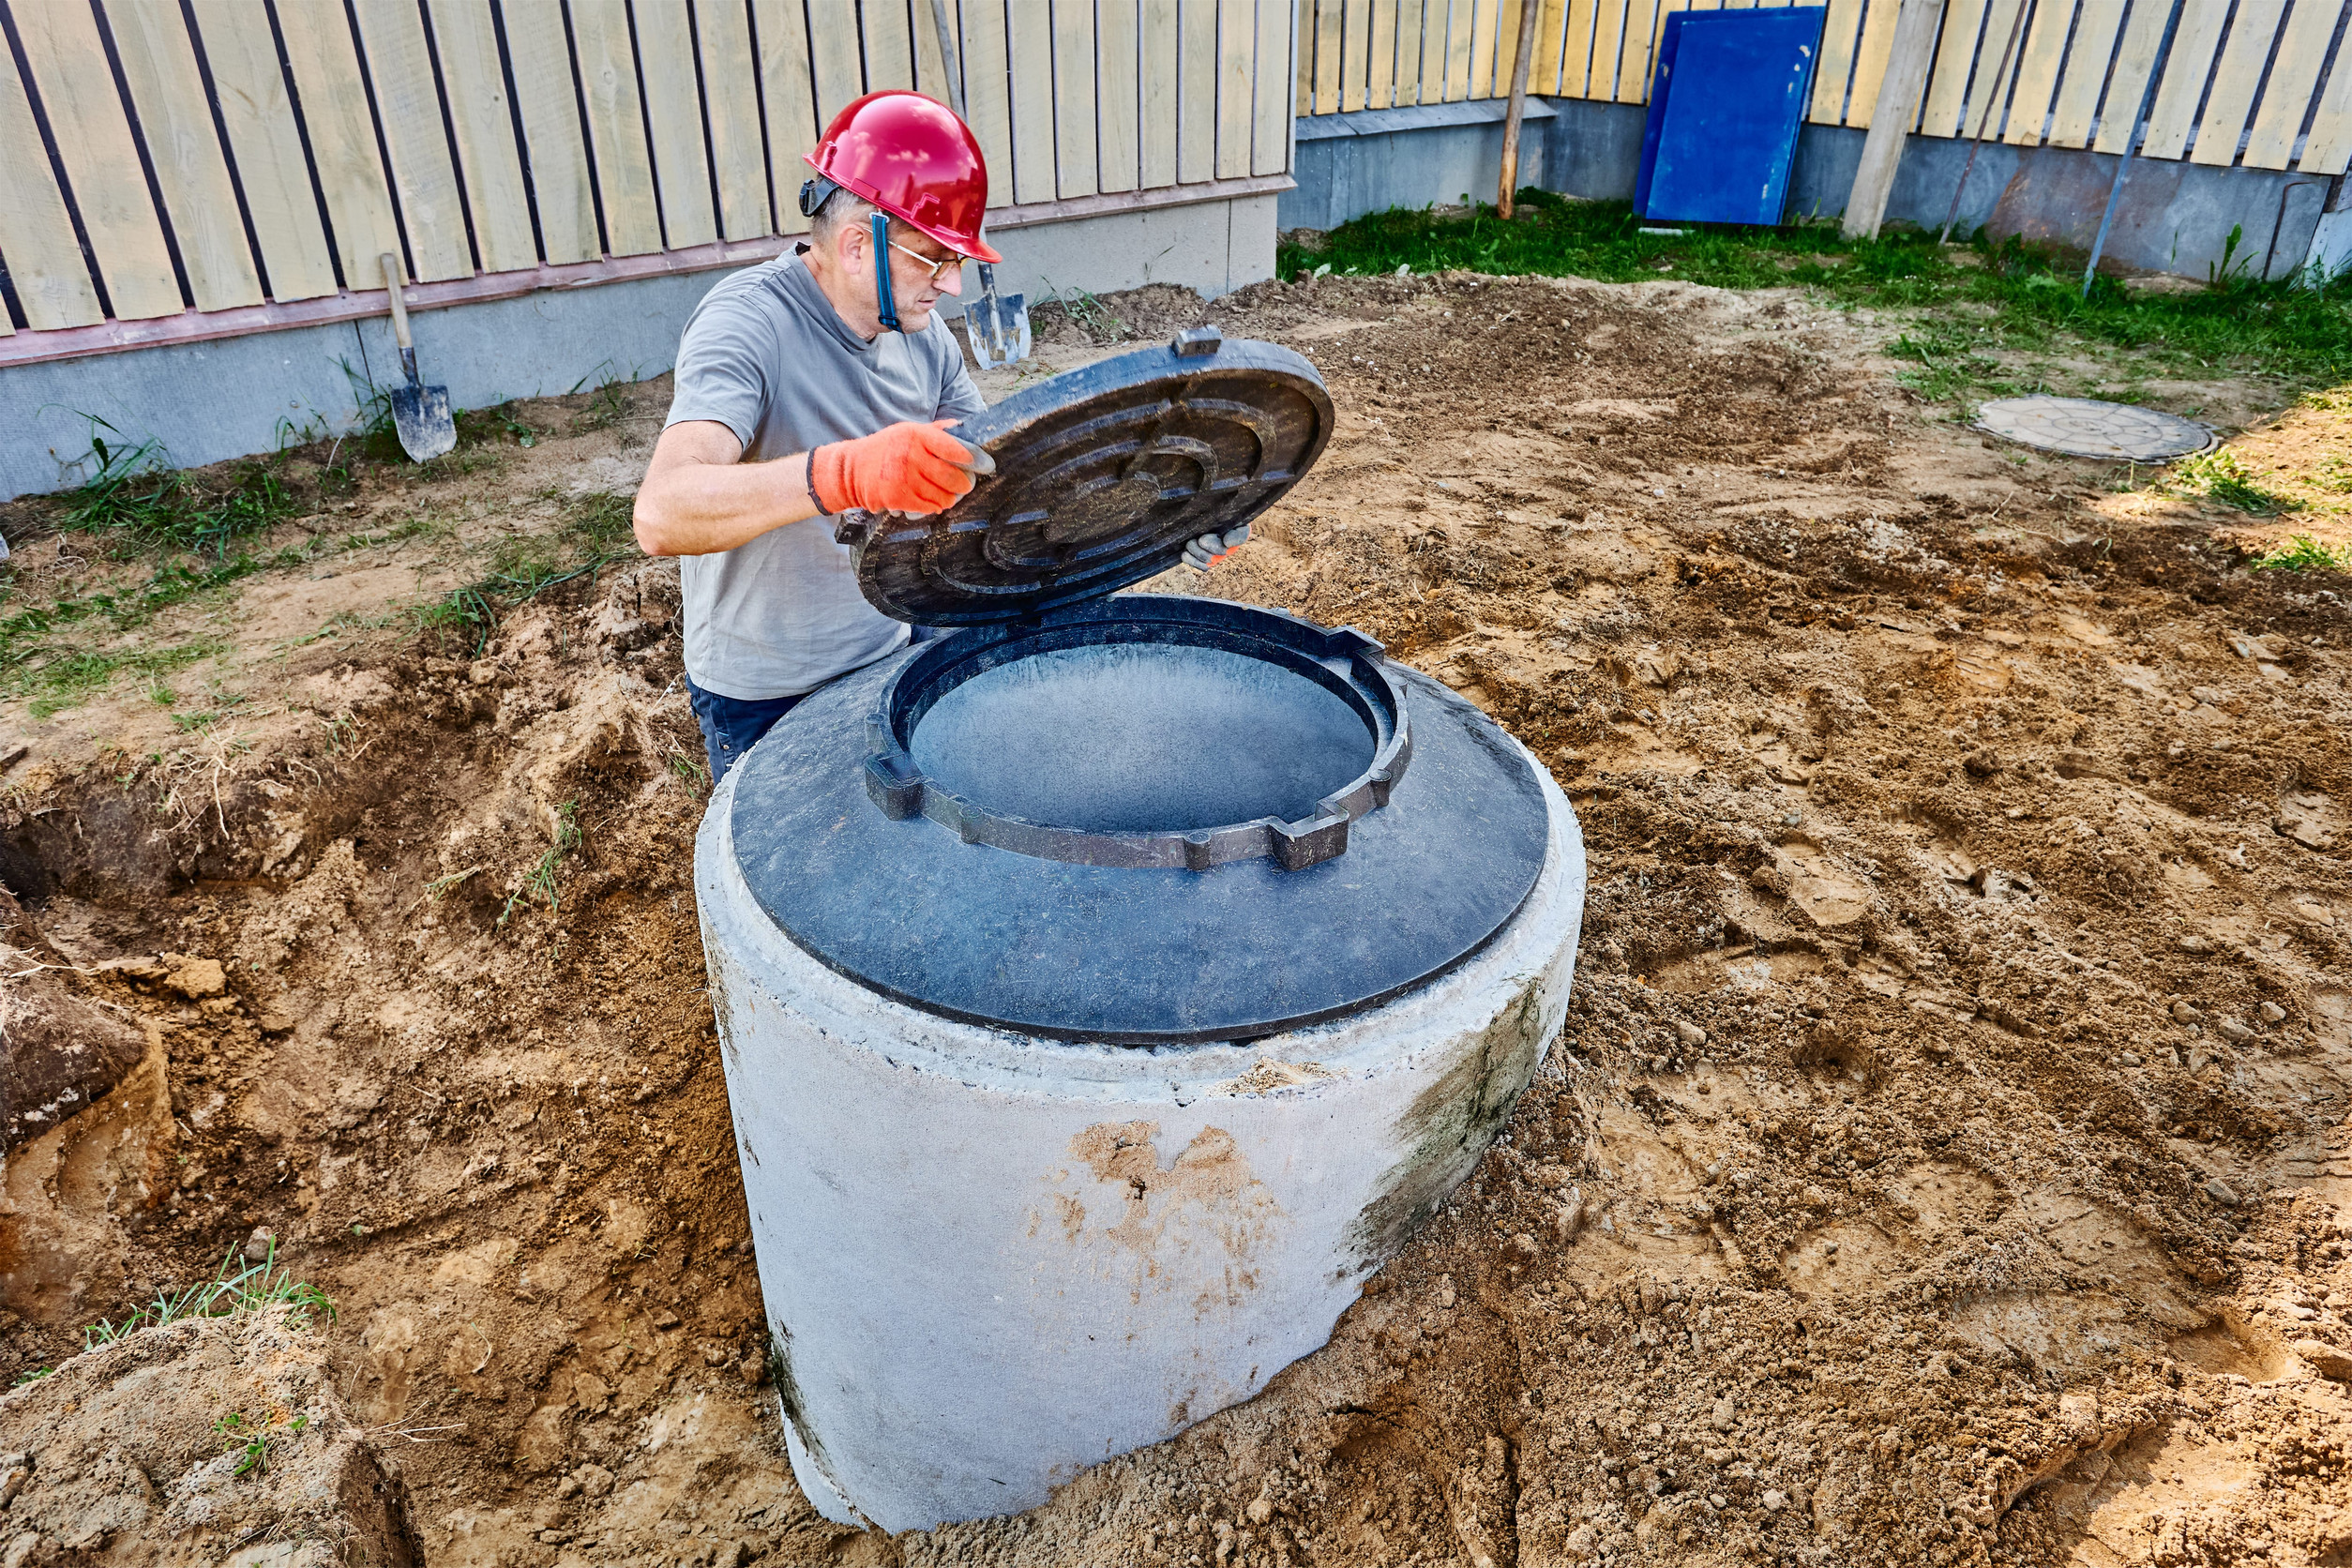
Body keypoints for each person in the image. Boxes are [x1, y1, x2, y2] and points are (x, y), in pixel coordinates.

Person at [633, 90, 1251, 782]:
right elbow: (662, 513)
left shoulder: (923, 343)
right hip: (771, 689)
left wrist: (1164, 521)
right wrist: (847, 474)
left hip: (898, 639)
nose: (954, 286)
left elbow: (1008, 490)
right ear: (858, 243)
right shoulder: (747, 324)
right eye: (936, 260)